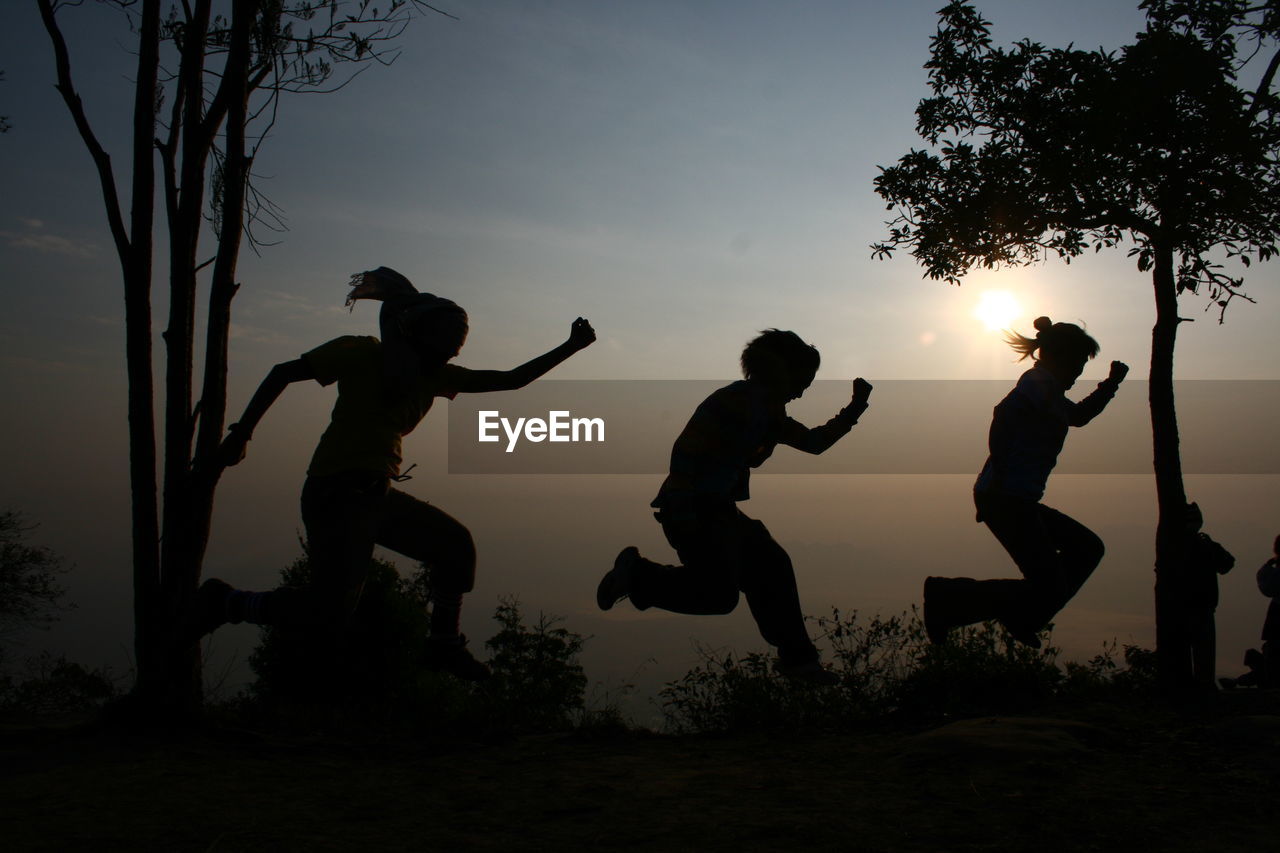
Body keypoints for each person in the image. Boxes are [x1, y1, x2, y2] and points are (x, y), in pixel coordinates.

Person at [193, 266, 596, 682]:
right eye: (446, 342)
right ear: (419, 333)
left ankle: (442, 645)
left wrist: (571, 346)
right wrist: (241, 434)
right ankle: (226, 603)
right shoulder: (362, 353)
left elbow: (512, 381)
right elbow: (283, 372)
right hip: (336, 492)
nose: (451, 353)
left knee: (454, 548)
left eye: (455, 346)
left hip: (374, 495)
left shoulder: (434, 375)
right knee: (330, 611)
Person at [595, 329, 873, 685]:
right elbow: (804, 441)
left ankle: (799, 661)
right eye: (802, 380)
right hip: (698, 511)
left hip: (711, 508)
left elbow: (811, 442)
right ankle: (637, 576)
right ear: (782, 372)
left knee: (769, 566)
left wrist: (854, 408)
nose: (803, 391)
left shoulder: (755, 405)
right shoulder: (749, 404)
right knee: (720, 593)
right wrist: (852, 408)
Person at [924, 316, 1128, 647]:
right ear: (1061, 358)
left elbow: (1077, 417)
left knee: (1084, 551)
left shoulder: (1047, 390)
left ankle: (1001, 611)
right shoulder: (1038, 384)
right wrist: (1001, 474)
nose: (1078, 373)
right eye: (1078, 364)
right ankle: (949, 596)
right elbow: (1002, 415)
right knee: (1052, 584)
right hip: (1006, 498)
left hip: (1014, 499)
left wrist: (1111, 384)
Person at [1163, 502, 1234, 690]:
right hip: (1199, 608)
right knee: (1203, 655)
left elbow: (1226, 564)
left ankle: (1193, 689)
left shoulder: (1183, 544)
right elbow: (1226, 564)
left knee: (1189, 655)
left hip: (1188, 608)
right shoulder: (1202, 544)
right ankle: (1202, 690)